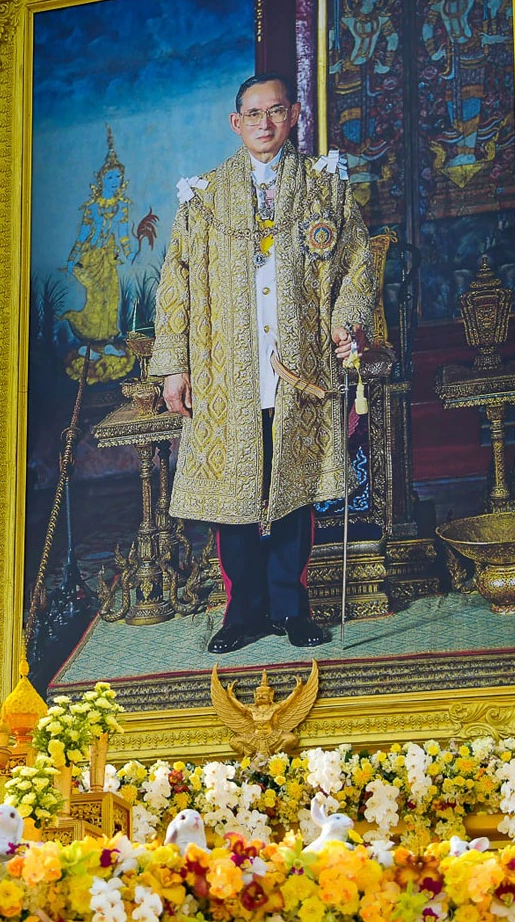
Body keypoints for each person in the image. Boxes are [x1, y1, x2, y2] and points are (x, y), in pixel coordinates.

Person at [148, 72, 379, 654]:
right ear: (236, 122)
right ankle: (242, 611)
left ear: (294, 114)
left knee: (295, 491)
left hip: (300, 369)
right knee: (235, 494)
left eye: (276, 111)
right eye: (253, 114)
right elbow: (173, 284)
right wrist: (176, 364)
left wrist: (345, 319)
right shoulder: (203, 198)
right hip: (227, 373)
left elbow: (359, 263)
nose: (265, 123)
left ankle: (291, 606)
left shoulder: (323, 189)